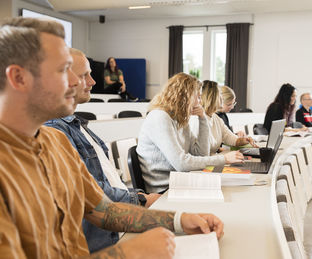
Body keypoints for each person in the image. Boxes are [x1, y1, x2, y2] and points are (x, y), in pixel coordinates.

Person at [0, 17, 223, 258]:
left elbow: (105, 211)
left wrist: (181, 220)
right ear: (19, 78)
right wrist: (127, 254)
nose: (76, 81)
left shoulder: (57, 142)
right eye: (62, 70)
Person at [45, 48, 161, 252]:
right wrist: (141, 201)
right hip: (105, 241)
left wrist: (173, 219)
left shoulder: (75, 125)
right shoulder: (53, 130)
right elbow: (92, 198)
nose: (92, 82)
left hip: (116, 228)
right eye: (83, 75)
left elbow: (96, 197)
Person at [137, 73, 244, 193]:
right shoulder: (159, 117)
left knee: (232, 187)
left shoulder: (180, 118)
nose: (199, 102)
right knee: (227, 190)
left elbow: (201, 154)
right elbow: (181, 163)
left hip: (181, 180)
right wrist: (223, 159)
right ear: (184, 96)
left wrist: (202, 118)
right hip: (165, 189)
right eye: (197, 97)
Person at [200, 80, 257, 155]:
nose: (221, 99)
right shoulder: (197, 120)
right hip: (206, 164)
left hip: (214, 162)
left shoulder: (217, 119)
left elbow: (233, 140)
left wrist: (245, 140)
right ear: (211, 99)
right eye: (219, 97)